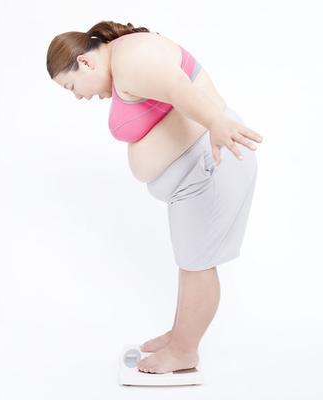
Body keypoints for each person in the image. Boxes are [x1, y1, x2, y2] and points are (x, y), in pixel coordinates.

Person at [46, 20, 264, 374]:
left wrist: (216, 122)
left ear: (84, 62)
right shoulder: (125, 60)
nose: (79, 97)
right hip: (197, 174)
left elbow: (178, 88)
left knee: (198, 265)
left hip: (210, 162)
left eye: (72, 86)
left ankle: (185, 351)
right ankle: (181, 336)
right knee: (190, 262)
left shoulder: (131, 57)